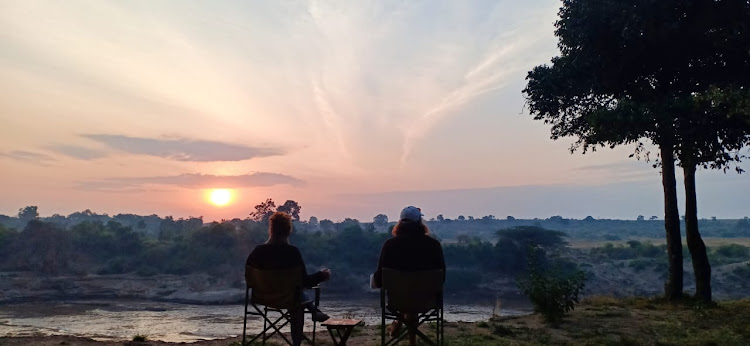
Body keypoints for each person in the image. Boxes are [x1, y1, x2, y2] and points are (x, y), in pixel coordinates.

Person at [246, 211, 331, 346]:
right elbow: (305, 282)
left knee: (296, 294)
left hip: (261, 297)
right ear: (288, 230)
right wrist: (321, 276)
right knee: (297, 298)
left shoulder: (257, 252)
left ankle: (314, 312)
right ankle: (297, 340)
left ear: (271, 230)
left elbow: (249, 279)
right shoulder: (292, 252)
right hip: (288, 299)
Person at [373, 206, 446, 346]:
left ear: (399, 223)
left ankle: (399, 320)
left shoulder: (390, 245)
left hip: (397, 302)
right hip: (426, 300)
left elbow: (379, 279)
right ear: (420, 222)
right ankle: (408, 335)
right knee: (414, 296)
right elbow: (442, 278)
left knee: (407, 297)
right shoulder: (434, 245)